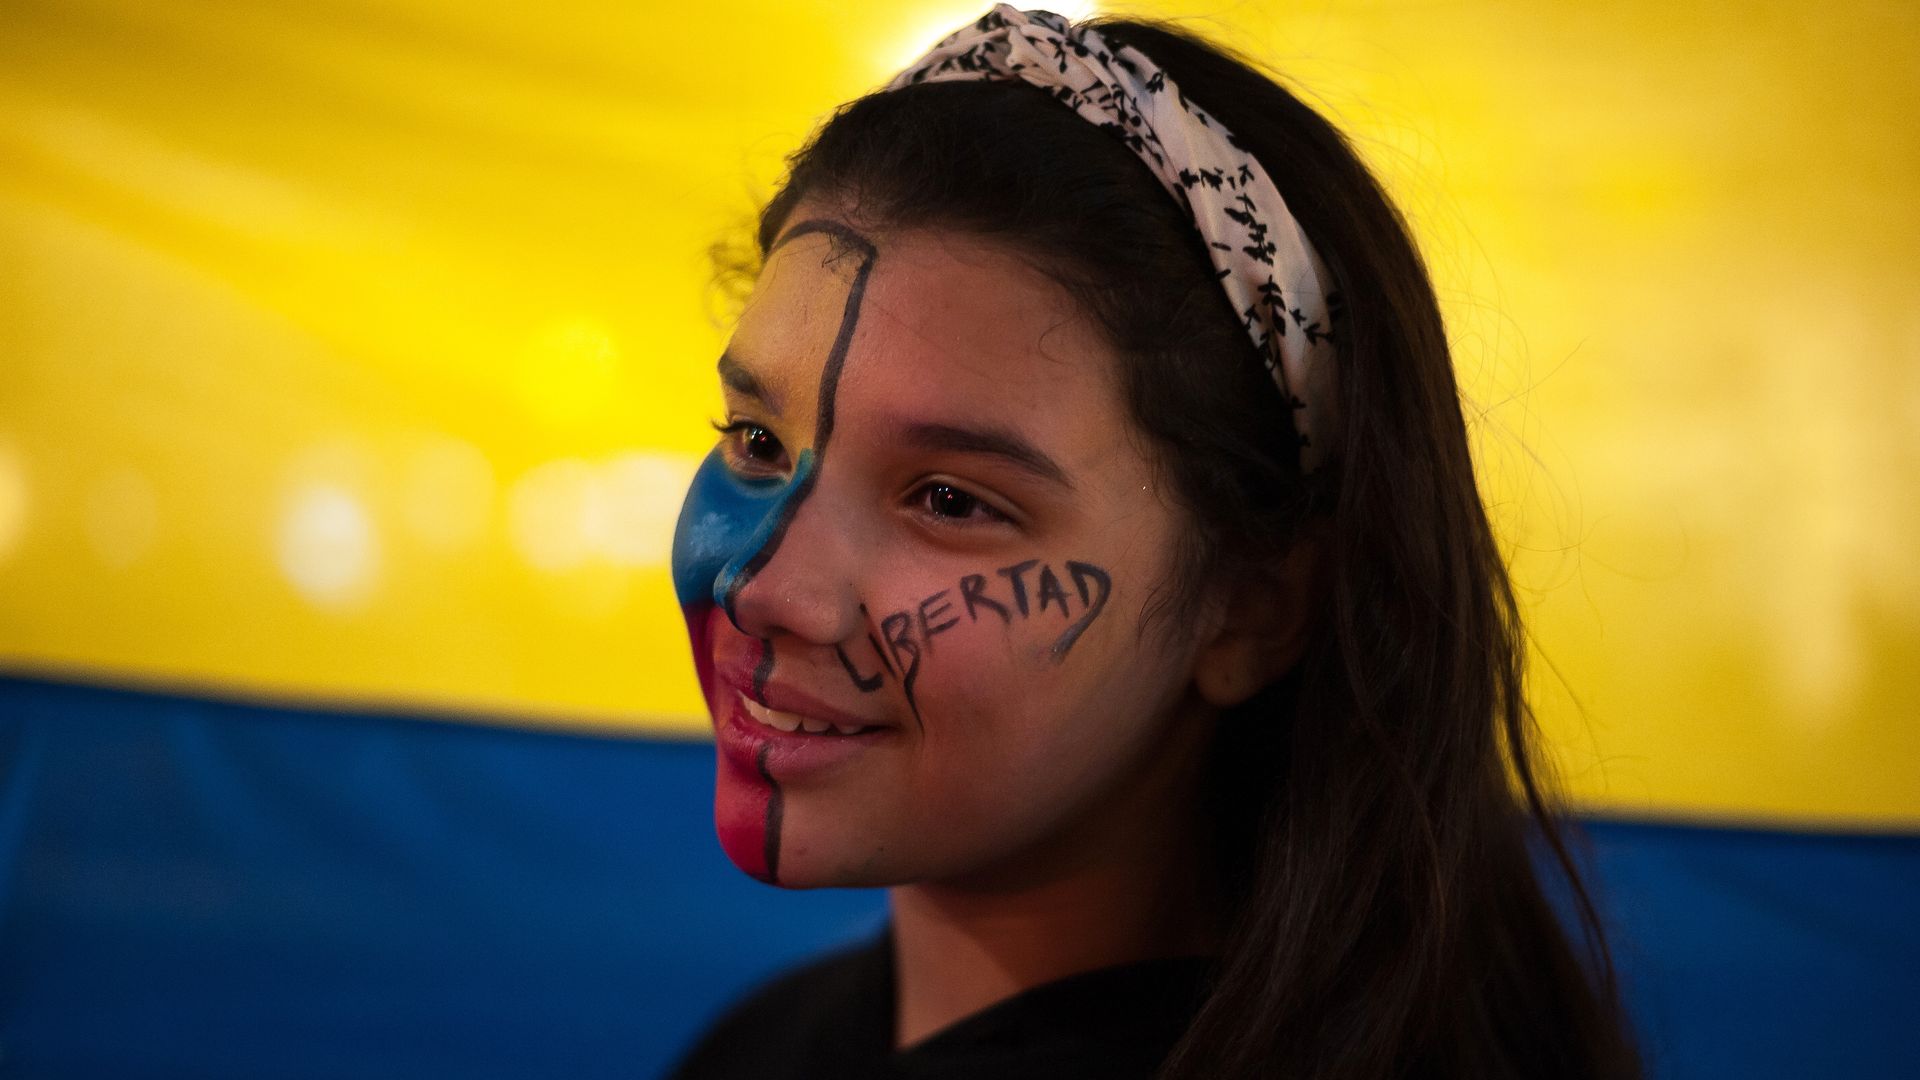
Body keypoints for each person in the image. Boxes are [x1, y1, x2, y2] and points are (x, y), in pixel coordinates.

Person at [665, 6, 1640, 1078]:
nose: (764, 586)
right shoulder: (770, 1043)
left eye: (948, 501)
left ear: (1252, 606)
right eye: (757, 440)